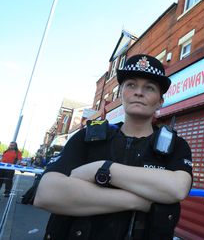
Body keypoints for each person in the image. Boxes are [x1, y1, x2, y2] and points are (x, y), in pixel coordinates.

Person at [34, 54, 193, 240]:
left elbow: (177, 188)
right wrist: (141, 201)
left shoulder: (176, 146)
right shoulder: (87, 137)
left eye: (149, 88)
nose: (139, 92)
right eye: (131, 85)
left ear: (160, 101)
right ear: (122, 93)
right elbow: (47, 194)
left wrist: (101, 168)